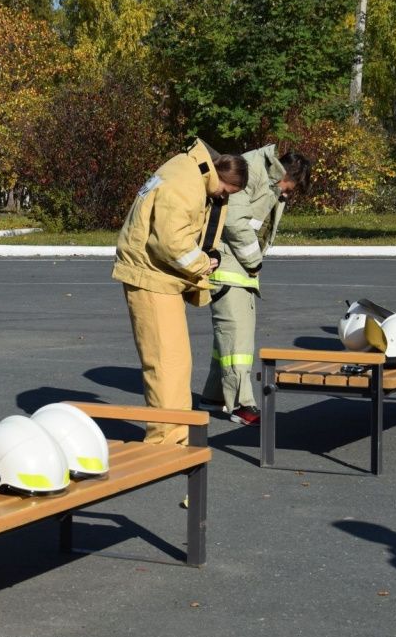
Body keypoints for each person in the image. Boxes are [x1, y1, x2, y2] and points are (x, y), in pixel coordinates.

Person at [113, 139, 249, 445]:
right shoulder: (186, 183)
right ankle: (165, 440)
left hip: (157, 277)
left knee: (175, 362)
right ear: (223, 179)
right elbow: (171, 243)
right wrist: (204, 263)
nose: (222, 197)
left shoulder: (189, 171)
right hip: (150, 277)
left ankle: (174, 434)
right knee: (164, 363)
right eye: (227, 192)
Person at [200, 146, 311, 426]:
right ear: (289, 174)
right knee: (239, 339)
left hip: (236, 268)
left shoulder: (271, 178)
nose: (287, 195)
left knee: (227, 337)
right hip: (230, 267)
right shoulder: (253, 170)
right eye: (291, 189)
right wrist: (253, 261)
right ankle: (240, 405)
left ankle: (214, 395)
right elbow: (235, 222)